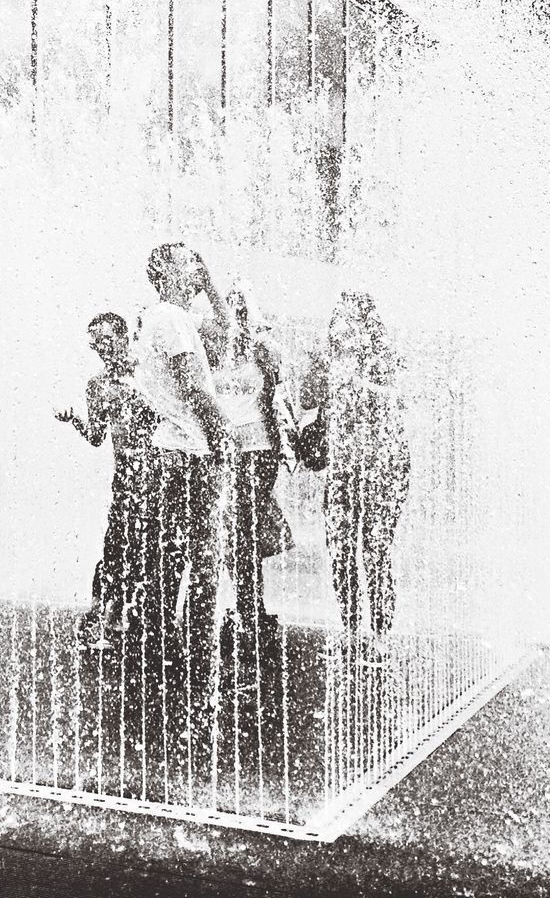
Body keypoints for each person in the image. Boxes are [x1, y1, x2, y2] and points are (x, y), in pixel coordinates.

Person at [133, 242, 232, 768]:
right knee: (204, 561)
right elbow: (196, 387)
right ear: (166, 271)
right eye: (188, 261)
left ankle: (180, 653)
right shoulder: (170, 317)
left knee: (184, 557)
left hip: (177, 450)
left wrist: (210, 283)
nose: (196, 266)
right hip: (192, 452)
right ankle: (200, 671)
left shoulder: (174, 316)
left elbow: (228, 339)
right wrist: (223, 441)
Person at [301, 292, 411, 661]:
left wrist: (355, 380)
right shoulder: (330, 360)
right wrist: (317, 369)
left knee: (376, 549)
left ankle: (380, 633)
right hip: (343, 468)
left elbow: (397, 400)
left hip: (383, 467)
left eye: (352, 319)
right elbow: (306, 400)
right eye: (340, 318)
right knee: (340, 549)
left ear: (368, 326)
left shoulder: (383, 360)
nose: (345, 327)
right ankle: (349, 629)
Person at [56, 311, 157, 647]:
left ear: (124, 337)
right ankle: (104, 614)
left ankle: (151, 621)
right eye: (94, 341)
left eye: (106, 339)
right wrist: (75, 421)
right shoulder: (97, 385)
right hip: (125, 477)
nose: (100, 347)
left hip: (159, 473)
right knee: (115, 547)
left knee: (155, 549)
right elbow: (98, 437)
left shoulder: (148, 375)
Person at [215, 288, 293, 649]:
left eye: (239, 311)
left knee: (241, 531)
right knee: (233, 533)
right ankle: (248, 608)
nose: (233, 318)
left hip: (257, 451)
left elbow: (283, 396)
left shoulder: (263, 350)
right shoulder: (211, 351)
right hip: (221, 452)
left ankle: (250, 611)